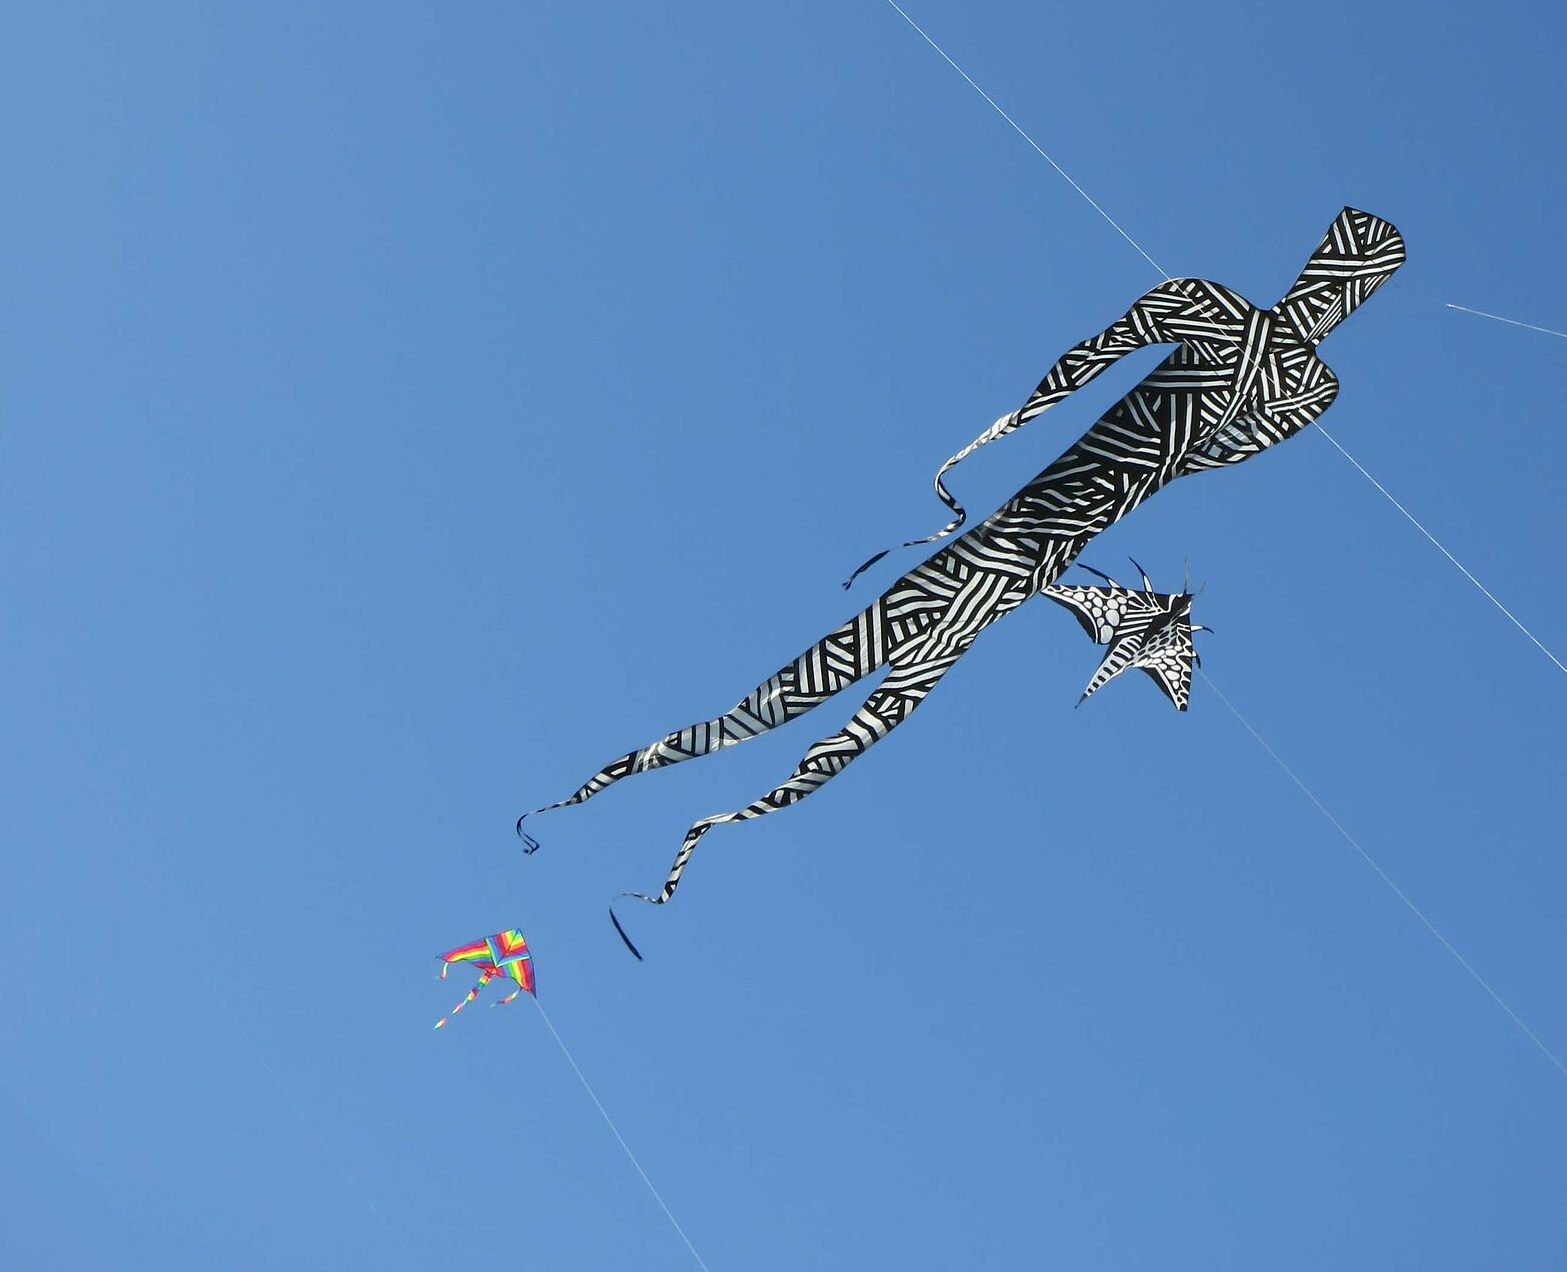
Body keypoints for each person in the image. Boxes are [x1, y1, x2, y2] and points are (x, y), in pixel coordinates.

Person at [519, 206, 1404, 936]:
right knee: (855, 687)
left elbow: (1121, 376)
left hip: (1038, 536)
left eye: (1345, 292)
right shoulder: (1273, 364)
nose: (1330, 301)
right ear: (1323, 276)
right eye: (1339, 283)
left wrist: (1045, 430)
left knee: (872, 687)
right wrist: (1015, 432)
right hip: (1035, 533)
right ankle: (657, 785)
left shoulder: (1278, 365)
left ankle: (670, 793)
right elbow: (1150, 402)